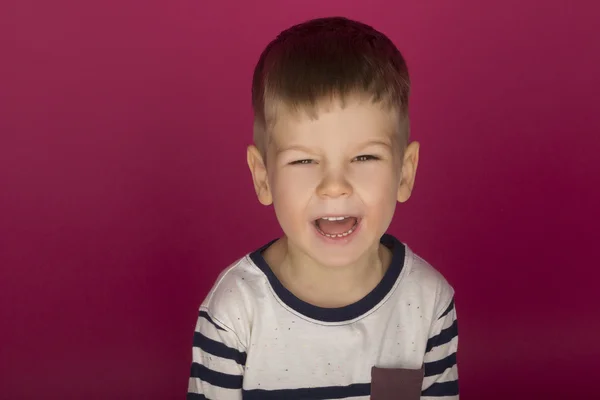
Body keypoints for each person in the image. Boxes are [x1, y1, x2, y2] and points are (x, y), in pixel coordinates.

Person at [187, 16, 458, 400]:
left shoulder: (429, 302)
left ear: (404, 173)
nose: (334, 185)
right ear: (263, 177)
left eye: (364, 157)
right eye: (303, 161)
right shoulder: (234, 313)